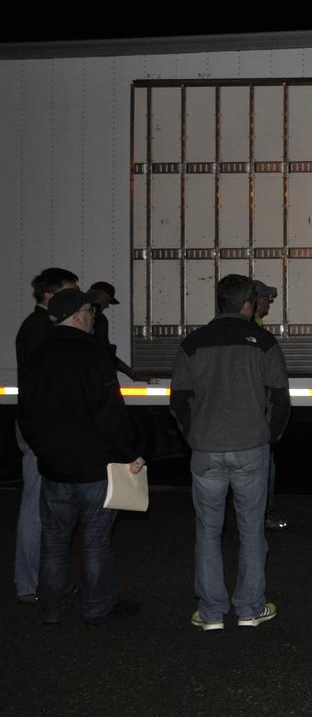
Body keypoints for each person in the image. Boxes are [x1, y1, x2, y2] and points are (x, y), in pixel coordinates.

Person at [170, 274, 290, 631]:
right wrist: (267, 436)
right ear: (247, 304)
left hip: (206, 449)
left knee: (207, 530)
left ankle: (210, 613)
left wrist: (193, 435)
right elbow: (280, 400)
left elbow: (178, 401)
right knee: (252, 529)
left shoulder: (193, 343)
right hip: (251, 447)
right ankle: (250, 608)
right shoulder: (264, 342)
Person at [20, 289, 144, 625]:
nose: (93, 315)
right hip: (94, 468)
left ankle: (52, 608)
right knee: (95, 541)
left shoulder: (37, 356)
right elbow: (109, 413)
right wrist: (130, 453)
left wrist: (43, 449)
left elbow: (27, 414)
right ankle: (97, 606)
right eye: (90, 310)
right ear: (77, 314)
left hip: (54, 468)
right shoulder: (93, 355)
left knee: (55, 540)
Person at [13, 267, 78, 604]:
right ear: (51, 295)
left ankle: (43, 580)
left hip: (37, 423)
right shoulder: (40, 328)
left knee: (44, 505)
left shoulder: (36, 326)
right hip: (40, 425)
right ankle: (33, 583)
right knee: (38, 507)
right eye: (70, 292)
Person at [250, 281, 288, 532]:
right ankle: (261, 518)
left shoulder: (255, 326)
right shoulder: (253, 331)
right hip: (255, 417)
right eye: (265, 298)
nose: (268, 303)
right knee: (264, 470)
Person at [85, 281, 136, 380]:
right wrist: (130, 372)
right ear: (102, 296)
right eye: (107, 301)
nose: (107, 306)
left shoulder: (71, 313)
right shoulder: (98, 318)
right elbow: (104, 353)